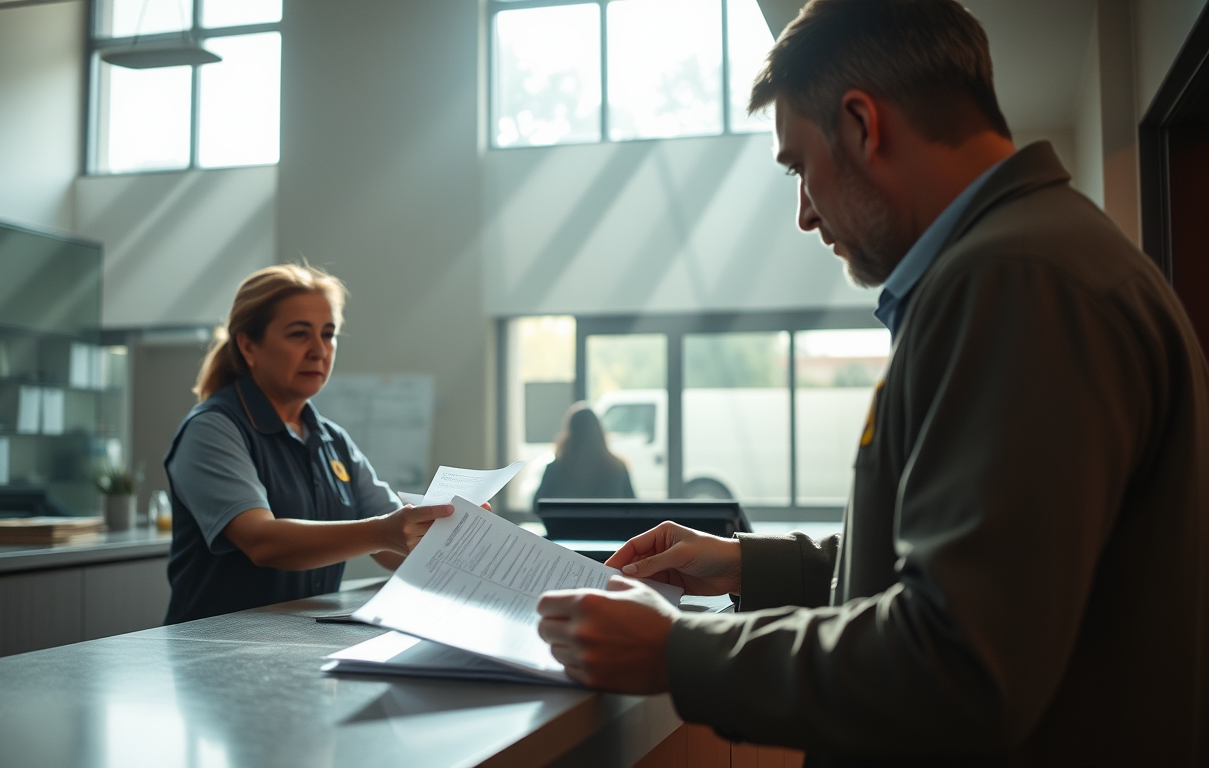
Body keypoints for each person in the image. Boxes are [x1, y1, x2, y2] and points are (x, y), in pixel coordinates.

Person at [534, 1, 1209, 765]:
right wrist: (747, 563)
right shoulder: (1026, 260)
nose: (803, 214)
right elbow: (961, 568)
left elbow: (957, 662)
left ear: (862, 124)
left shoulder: (1016, 282)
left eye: (799, 167)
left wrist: (677, 652)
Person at [163, 265, 453, 624]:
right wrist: (384, 531)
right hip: (211, 645)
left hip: (301, 641)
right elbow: (262, 541)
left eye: (328, 334)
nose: (319, 350)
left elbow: (396, 542)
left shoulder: (333, 440)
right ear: (249, 346)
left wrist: (449, 532)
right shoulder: (212, 429)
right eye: (299, 334)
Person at [533, 403, 635, 501]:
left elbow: (538, 505)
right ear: (599, 433)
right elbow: (633, 505)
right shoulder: (617, 469)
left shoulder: (555, 469)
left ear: (569, 434)